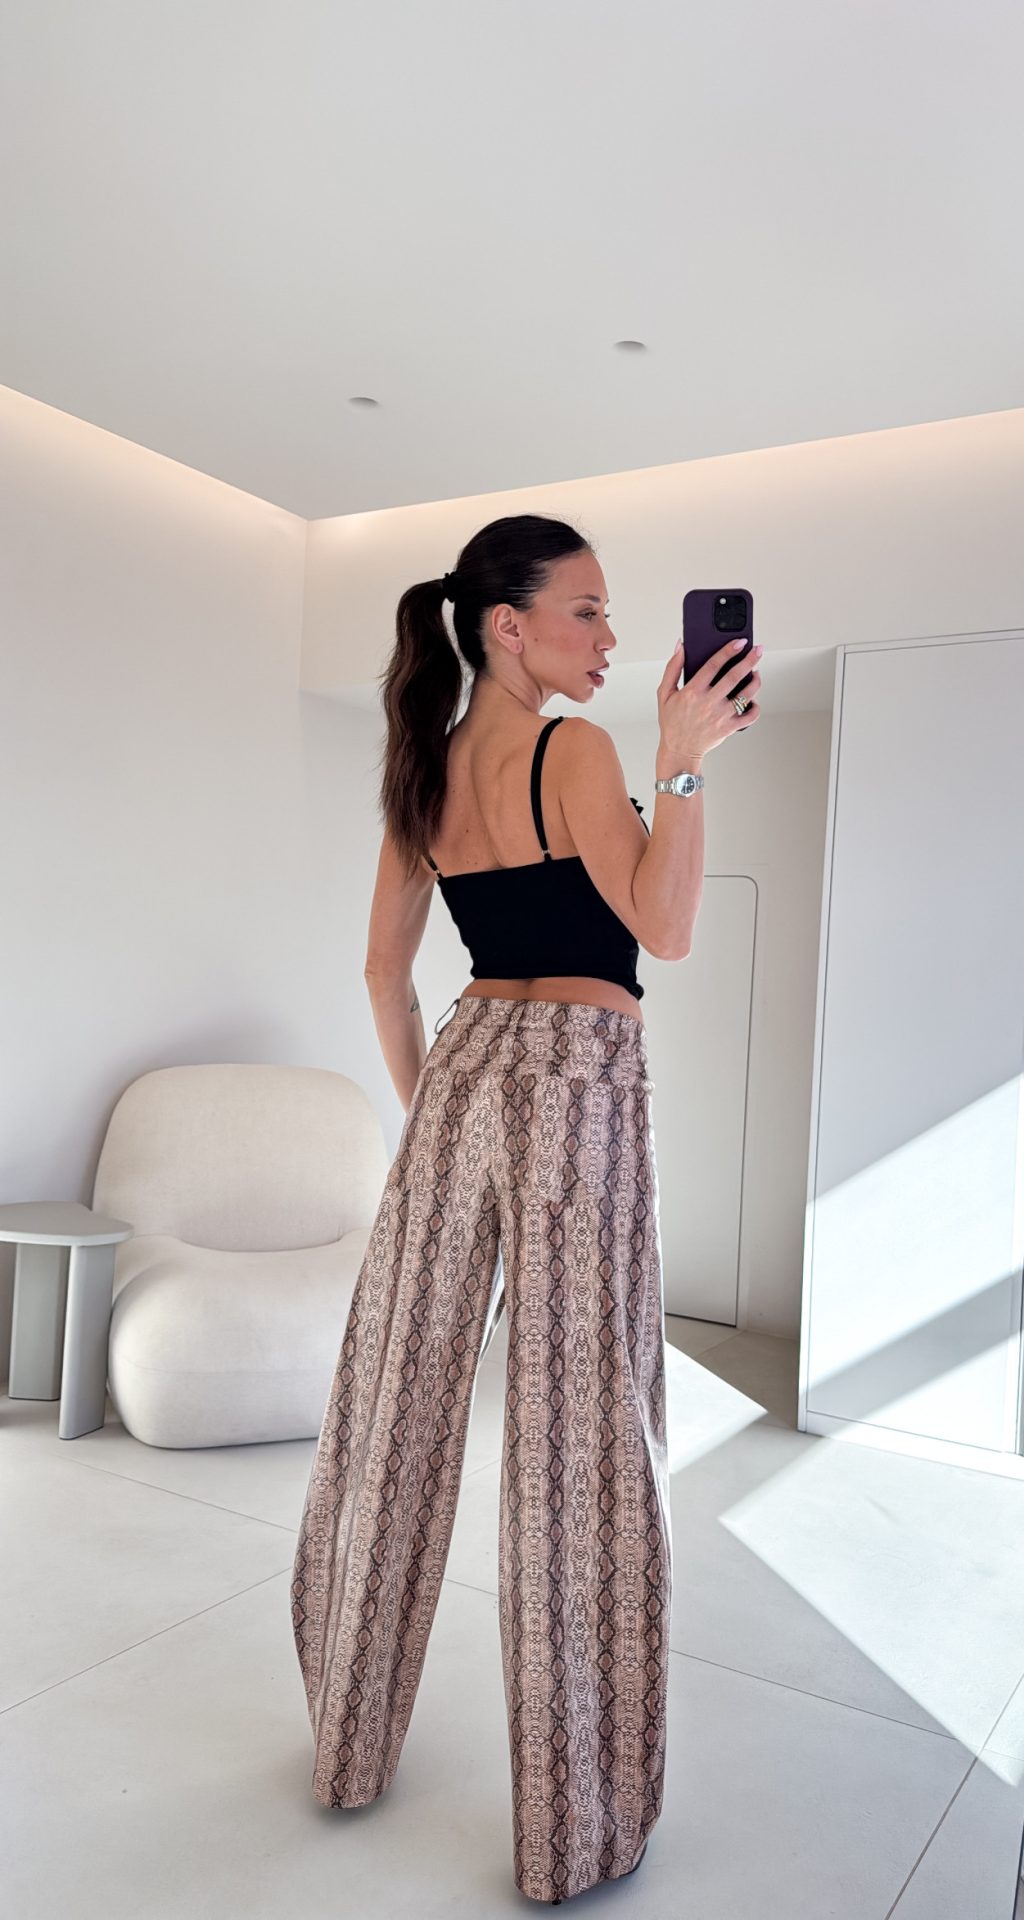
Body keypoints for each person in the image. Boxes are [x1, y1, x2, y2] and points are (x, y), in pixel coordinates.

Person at [290, 512, 761, 1905]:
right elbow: (664, 930)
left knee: (394, 1414)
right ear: (508, 624)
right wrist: (685, 762)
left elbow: (383, 976)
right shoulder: (583, 751)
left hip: (462, 1073)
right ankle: (574, 1830)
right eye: (587, 611)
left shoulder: (422, 770)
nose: (612, 639)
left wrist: (441, 1122)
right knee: (583, 1450)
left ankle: (345, 1750)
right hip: (579, 1077)